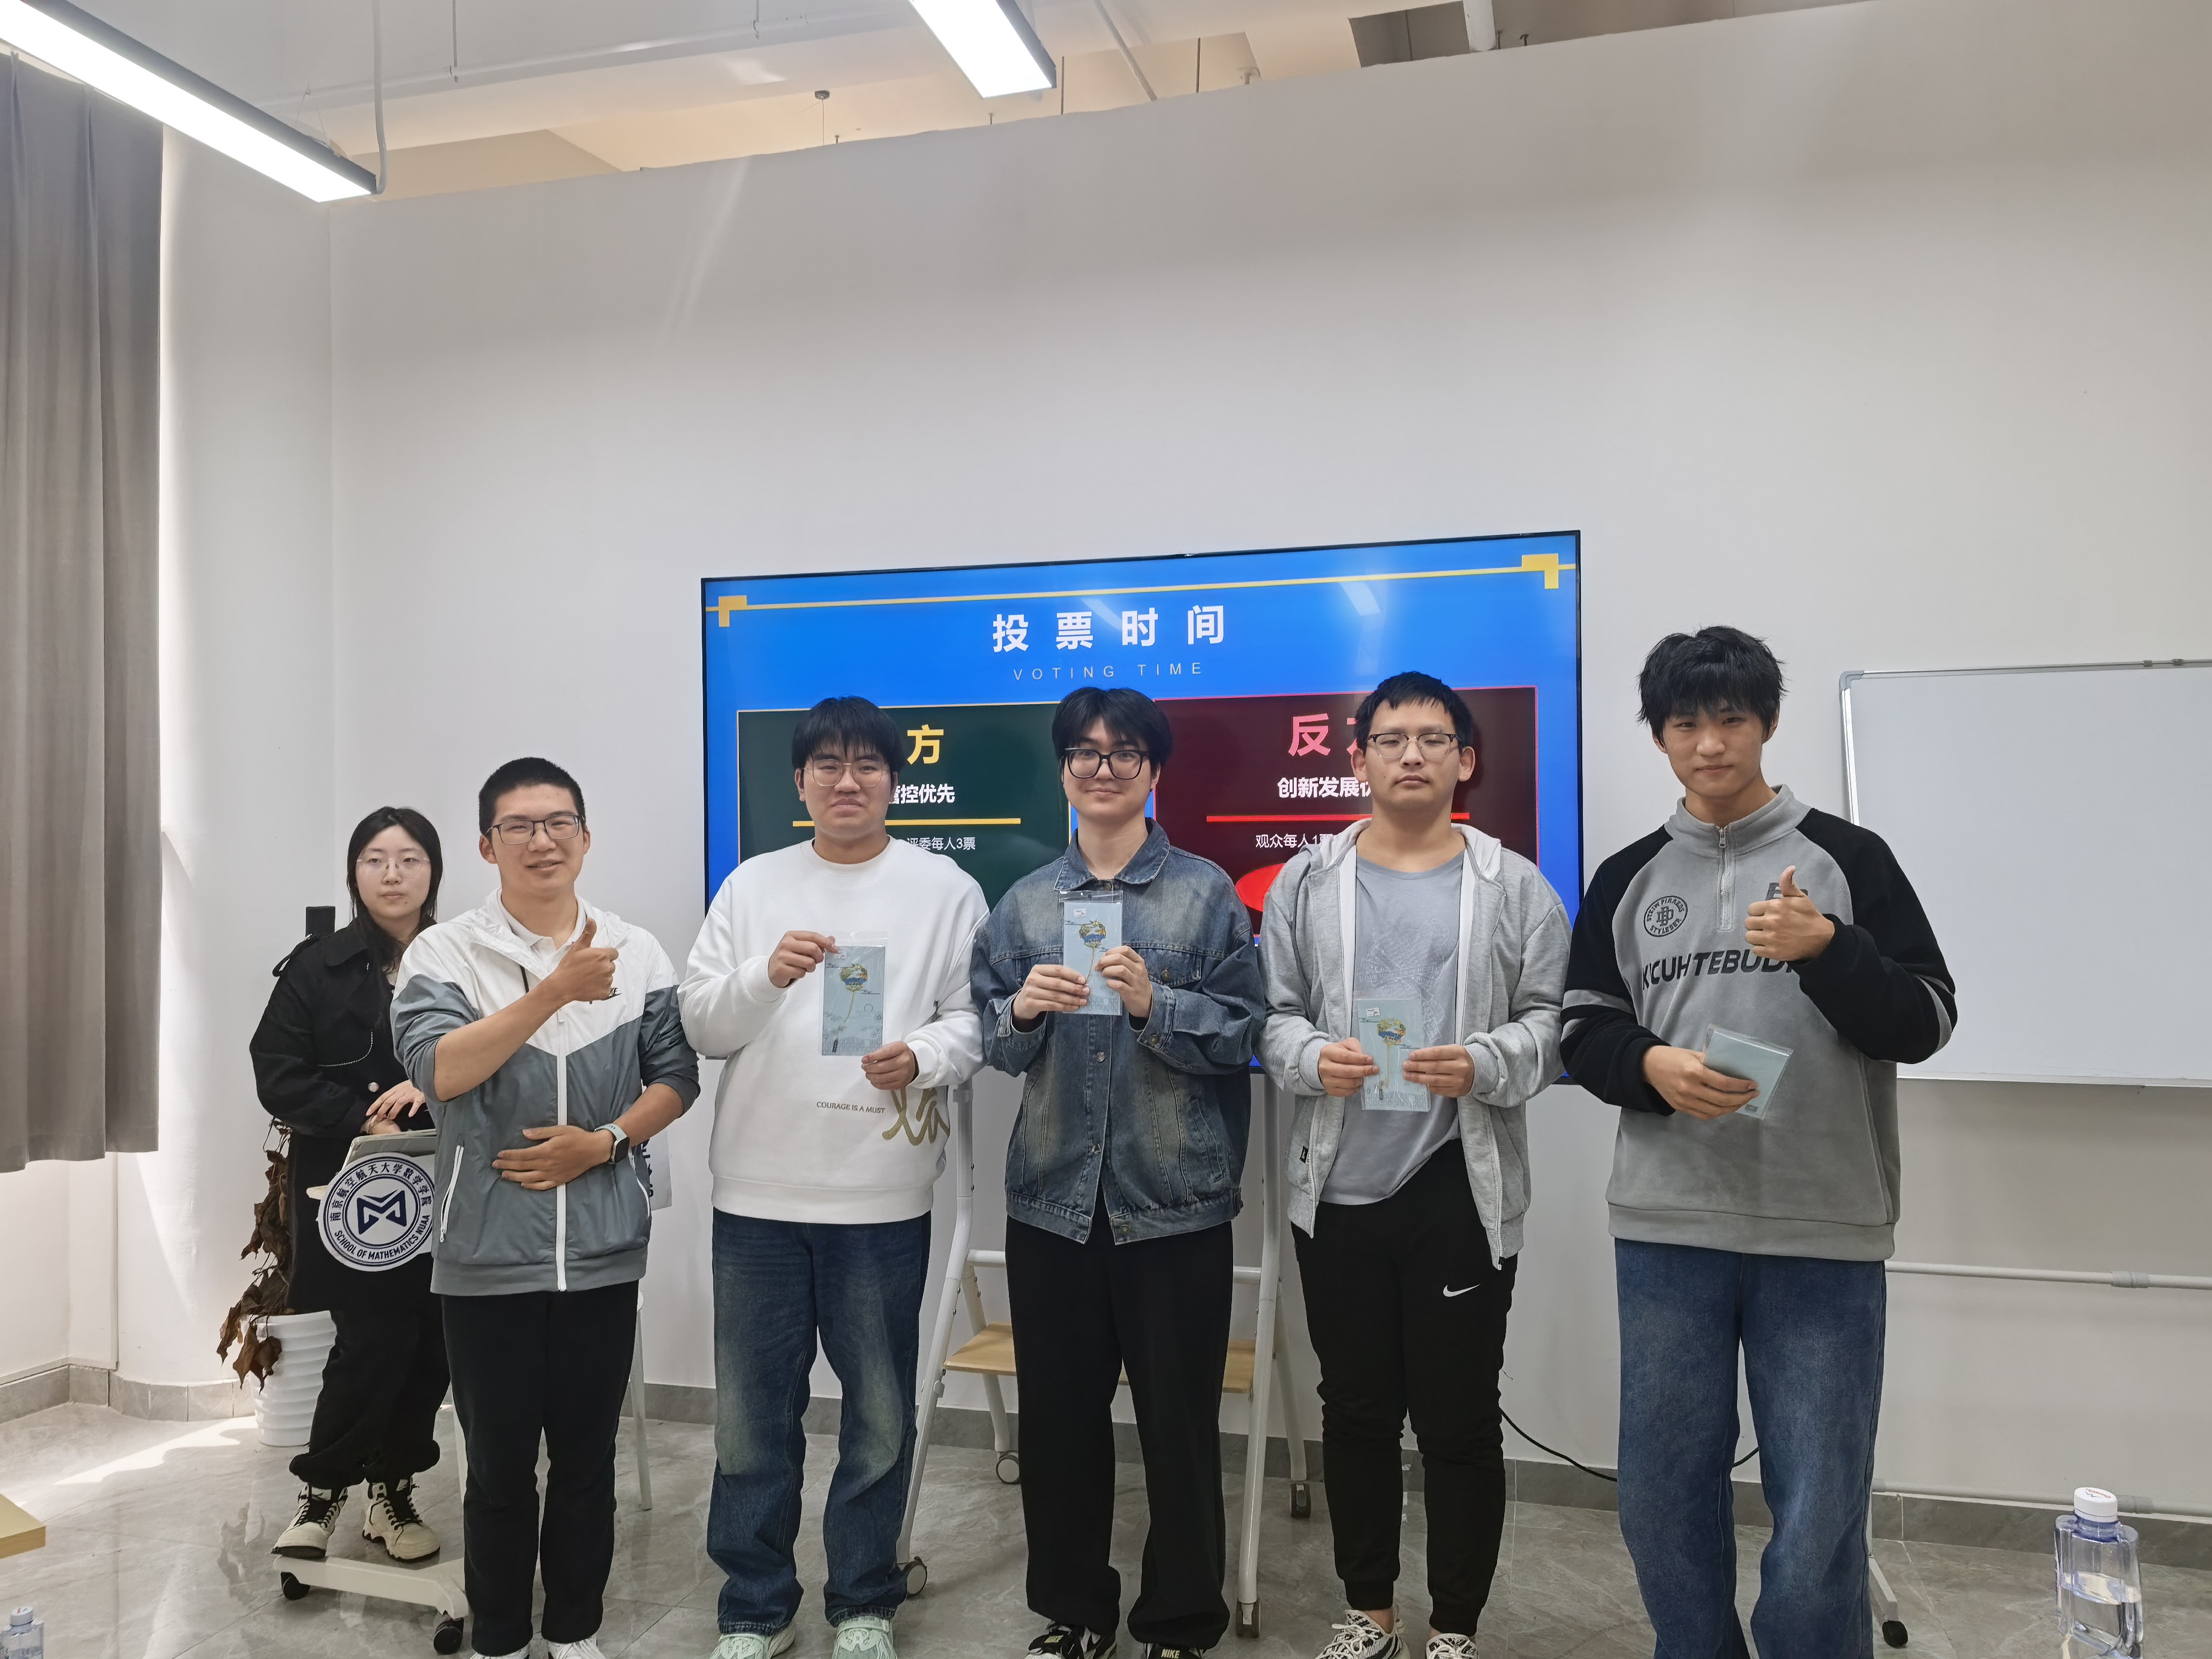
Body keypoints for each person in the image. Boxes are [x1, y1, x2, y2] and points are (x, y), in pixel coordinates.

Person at [1560, 628, 1955, 1658]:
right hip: (1668, 1227)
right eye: (1685, 723)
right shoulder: (1628, 875)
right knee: (1661, 1491)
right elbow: (1582, 1029)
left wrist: (1832, 951)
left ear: (1767, 723)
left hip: (1822, 1226)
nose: (1709, 744)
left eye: (1731, 719)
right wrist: (1651, 1065)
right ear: (1659, 735)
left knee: (1820, 1499)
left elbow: (1928, 1020)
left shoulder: (1849, 860)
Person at [1258, 672, 1569, 1659]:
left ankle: (1454, 1627)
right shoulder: (1308, 882)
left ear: (1465, 760)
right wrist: (1313, 1059)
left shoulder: (1514, 886)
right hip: (1338, 1184)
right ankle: (1371, 1614)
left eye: (1434, 739)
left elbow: (1553, 1022)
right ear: (1356, 758)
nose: (1411, 755)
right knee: (1354, 1412)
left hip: (1458, 1185)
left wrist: (1487, 1062)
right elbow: (1273, 1015)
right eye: (1390, 739)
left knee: (1458, 1420)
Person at [680, 696, 988, 1659]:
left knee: (880, 1418)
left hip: (882, 1193)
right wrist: (765, 976)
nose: (847, 781)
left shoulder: (945, 890)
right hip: (757, 1195)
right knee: (750, 1424)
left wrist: (924, 1056)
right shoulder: (752, 885)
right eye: (828, 765)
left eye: (867, 765)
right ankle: (755, 1609)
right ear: (800, 780)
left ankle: (864, 1602)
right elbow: (700, 1025)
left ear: (896, 780)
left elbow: (975, 1020)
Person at [972, 686, 1267, 1659]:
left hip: (1174, 1203)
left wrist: (1156, 1006)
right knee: (1059, 1425)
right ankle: (1074, 1612)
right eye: (1086, 752)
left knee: (1179, 1428)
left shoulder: (1206, 892)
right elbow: (992, 1043)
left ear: (1153, 769)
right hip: (1052, 1203)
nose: (1104, 768)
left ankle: (1180, 1622)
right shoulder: (1024, 901)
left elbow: (1246, 1034)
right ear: (1064, 770)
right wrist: (1021, 1012)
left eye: (1124, 752)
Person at [392, 758, 699, 1659]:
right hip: (486, 1256)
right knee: (496, 1470)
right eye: (519, 826)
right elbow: (441, 1073)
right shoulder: (444, 953)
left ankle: (574, 1633)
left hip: (603, 1249)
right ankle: (498, 1637)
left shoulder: (637, 951)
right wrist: (553, 992)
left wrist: (604, 1142)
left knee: (587, 1463)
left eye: (559, 822)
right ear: (488, 846)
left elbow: (675, 1077)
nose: (542, 840)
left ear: (586, 838)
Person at [254, 805, 450, 1566]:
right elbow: (277, 1072)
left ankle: (391, 1493)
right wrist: (361, 1118)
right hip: (351, 1187)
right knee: (371, 1338)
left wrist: (433, 1092)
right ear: (354, 874)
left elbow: (501, 1056)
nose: (392, 874)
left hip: (445, 1180)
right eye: (375, 859)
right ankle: (323, 1491)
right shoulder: (317, 965)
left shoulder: (464, 957)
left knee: (430, 1340)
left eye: (409, 859)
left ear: (434, 871)